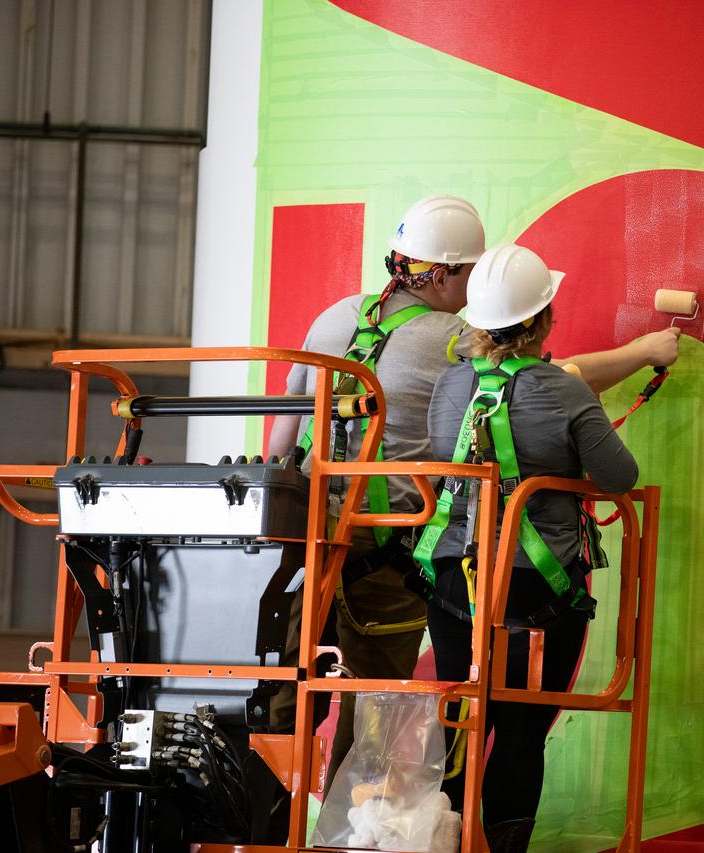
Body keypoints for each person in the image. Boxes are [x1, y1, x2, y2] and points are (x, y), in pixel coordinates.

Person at [266, 195, 678, 778]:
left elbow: (286, 424)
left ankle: (262, 819)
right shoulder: (453, 335)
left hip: (303, 530)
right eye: (470, 271)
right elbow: (540, 385)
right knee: (378, 712)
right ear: (441, 274)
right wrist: (641, 352)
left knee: (282, 695)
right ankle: (358, 826)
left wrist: (272, 509)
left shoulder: (334, 316)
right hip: (386, 543)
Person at [417, 243, 638, 853]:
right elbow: (619, 476)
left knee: (461, 718)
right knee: (520, 729)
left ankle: (444, 841)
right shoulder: (565, 391)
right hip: (537, 589)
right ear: (542, 321)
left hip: (453, 580)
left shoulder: (449, 384)